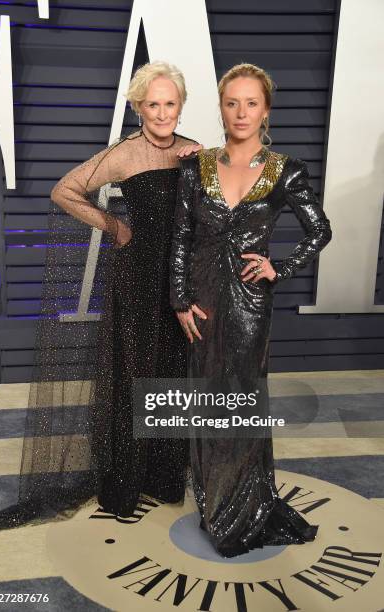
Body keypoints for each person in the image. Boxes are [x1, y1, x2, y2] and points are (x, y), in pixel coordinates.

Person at [0, 61, 200, 532]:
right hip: (137, 277)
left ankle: (162, 475)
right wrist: (113, 225)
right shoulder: (124, 154)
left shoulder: (195, 153)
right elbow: (66, 190)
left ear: (181, 107)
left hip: (181, 280)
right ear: (140, 107)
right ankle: (125, 476)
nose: (162, 113)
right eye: (153, 104)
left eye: (170, 103)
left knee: (172, 370)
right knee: (132, 373)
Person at [169, 63, 332, 557]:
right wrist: (179, 299)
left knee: (239, 401)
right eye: (232, 102)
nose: (241, 112)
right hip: (201, 301)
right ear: (220, 107)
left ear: (266, 110)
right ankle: (216, 499)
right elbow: (180, 238)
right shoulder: (195, 166)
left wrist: (278, 267)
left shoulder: (285, 168)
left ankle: (243, 508)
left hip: (248, 305)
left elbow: (319, 230)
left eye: (251, 103)